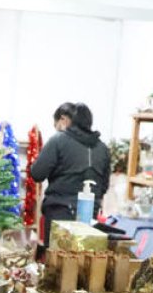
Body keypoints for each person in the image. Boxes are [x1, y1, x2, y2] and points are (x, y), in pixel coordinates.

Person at [30, 102, 112, 251]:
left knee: (57, 265)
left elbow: (37, 173)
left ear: (68, 120)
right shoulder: (103, 148)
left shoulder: (58, 140)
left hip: (59, 214)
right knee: (84, 266)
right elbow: (104, 187)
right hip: (90, 219)